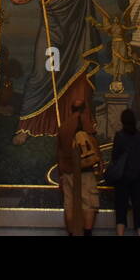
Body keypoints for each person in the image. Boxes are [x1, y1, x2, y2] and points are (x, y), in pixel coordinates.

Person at [10, 0, 140, 143]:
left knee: (78, 75)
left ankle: (79, 125)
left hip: (77, 31)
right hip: (52, 29)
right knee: (43, 72)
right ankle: (28, 124)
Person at [55, 97, 100, 235]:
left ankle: (71, 234)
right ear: (84, 109)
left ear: (71, 109)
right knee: (89, 203)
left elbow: (58, 151)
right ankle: (87, 233)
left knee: (69, 205)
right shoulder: (84, 121)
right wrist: (100, 162)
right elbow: (93, 143)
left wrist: (61, 174)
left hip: (67, 170)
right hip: (84, 170)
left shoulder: (63, 126)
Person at [109, 108, 140, 236]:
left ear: (122, 121)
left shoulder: (119, 136)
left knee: (121, 209)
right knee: (139, 209)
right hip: (138, 178)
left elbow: (114, 157)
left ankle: (120, 234)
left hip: (122, 178)